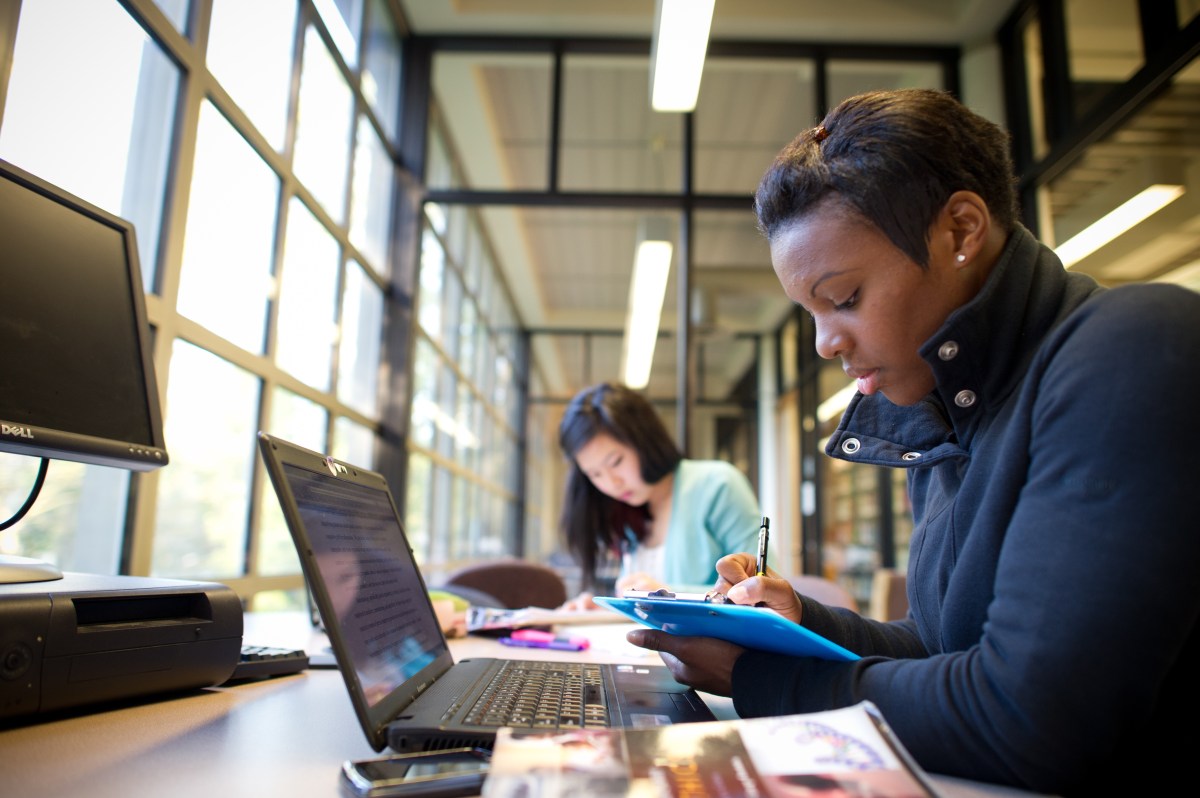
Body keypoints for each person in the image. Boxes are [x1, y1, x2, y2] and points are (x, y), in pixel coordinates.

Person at [624, 88, 1200, 796]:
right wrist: (800, 625)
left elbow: (1031, 717)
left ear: (961, 229)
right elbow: (940, 648)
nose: (825, 342)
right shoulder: (945, 416)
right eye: (810, 313)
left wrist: (762, 678)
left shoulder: (1136, 351)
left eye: (844, 299)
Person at [557, 381, 763, 609]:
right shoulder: (630, 516)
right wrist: (604, 610)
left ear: (644, 439)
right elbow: (641, 609)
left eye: (616, 462)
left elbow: (764, 591)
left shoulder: (717, 485)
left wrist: (670, 595)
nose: (612, 484)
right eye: (595, 474)